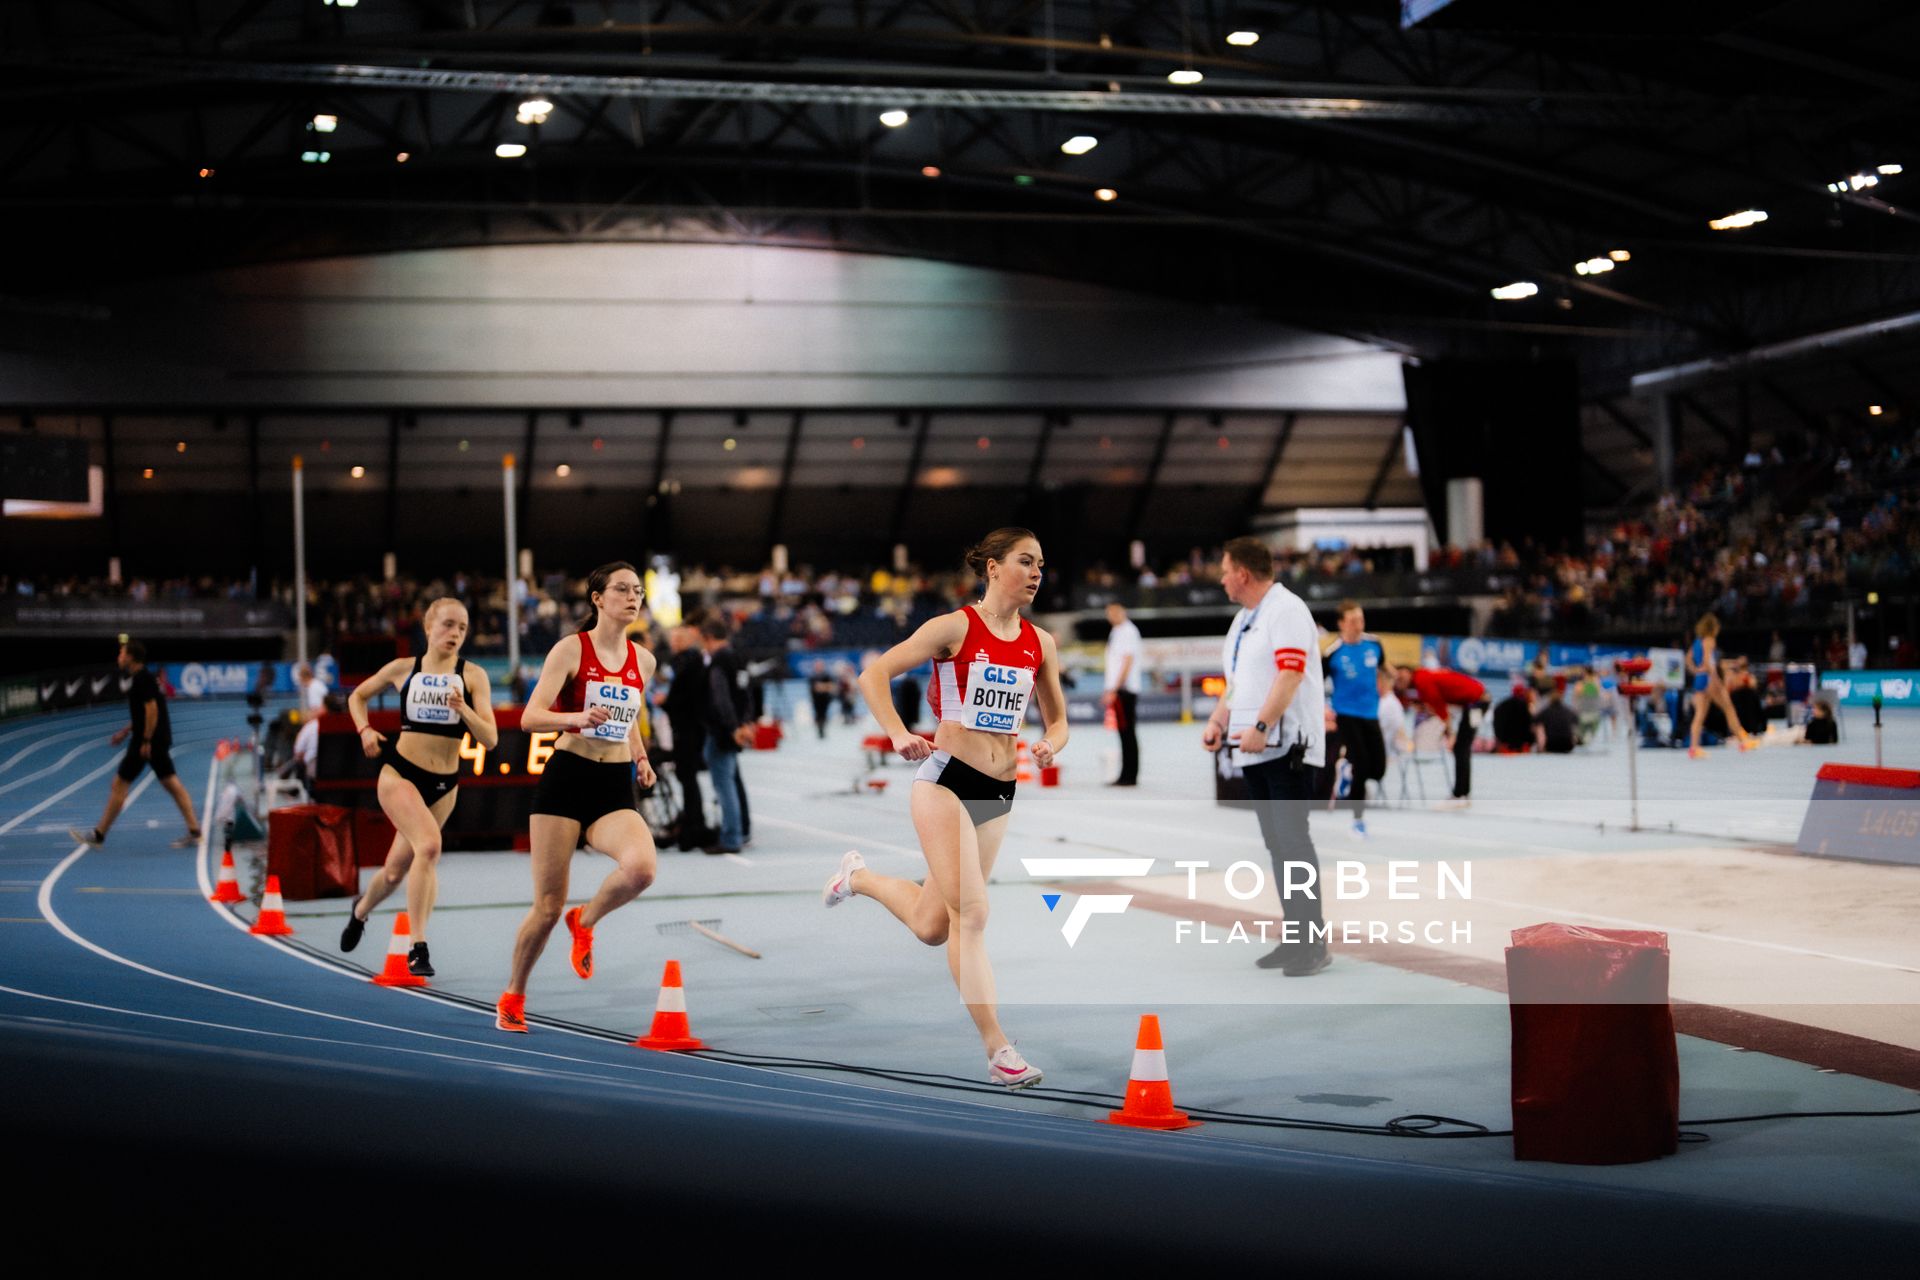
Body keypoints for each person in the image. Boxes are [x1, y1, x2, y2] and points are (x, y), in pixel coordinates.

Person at [823, 527, 1068, 1086]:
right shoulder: (954, 628)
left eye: (1041, 564)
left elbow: (1057, 718)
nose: (1036, 573)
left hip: (999, 791)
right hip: (945, 782)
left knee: (933, 925)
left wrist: (1053, 743)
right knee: (973, 914)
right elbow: (873, 674)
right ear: (992, 567)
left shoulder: (1040, 642)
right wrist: (896, 732)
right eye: (1025, 562)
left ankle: (857, 877)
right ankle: (999, 1050)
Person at [496, 562, 659, 1034]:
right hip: (567, 779)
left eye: (638, 592)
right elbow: (530, 717)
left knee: (642, 869)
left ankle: (584, 921)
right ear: (597, 598)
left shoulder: (643, 660)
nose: (632, 598)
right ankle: (513, 993)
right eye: (622, 590)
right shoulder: (571, 650)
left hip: (613, 784)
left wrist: (641, 755)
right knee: (547, 906)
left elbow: (628, 714)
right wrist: (576, 719)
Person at [338, 599, 497, 977]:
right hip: (400, 774)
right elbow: (356, 696)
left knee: (395, 872)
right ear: (428, 628)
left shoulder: (473, 676)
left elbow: (490, 738)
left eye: (462, 627)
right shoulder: (403, 669)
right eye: (447, 625)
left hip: (444, 784)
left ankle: (360, 912)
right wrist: (364, 730)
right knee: (429, 847)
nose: (454, 634)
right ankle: (417, 946)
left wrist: (465, 710)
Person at [1201, 537, 1329, 976]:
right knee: (1278, 846)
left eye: (1224, 570)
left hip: (1286, 745)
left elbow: (1291, 673)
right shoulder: (1243, 621)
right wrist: (1219, 720)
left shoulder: (1286, 609)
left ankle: (1314, 943)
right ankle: (1296, 938)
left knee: (1294, 843)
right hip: (1253, 748)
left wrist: (1261, 725)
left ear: (1243, 573)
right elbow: (1236, 685)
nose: (1220, 579)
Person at [69, 638, 202, 848]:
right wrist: (126, 731)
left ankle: (99, 834)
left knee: (122, 783)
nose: (118, 657)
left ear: (130, 657)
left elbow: (152, 710)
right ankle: (195, 831)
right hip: (151, 739)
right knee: (170, 784)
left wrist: (146, 740)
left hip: (148, 741)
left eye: (121, 653)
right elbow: (145, 712)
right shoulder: (145, 678)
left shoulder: (142, 679)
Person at [1322, 601, 1387, 836]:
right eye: (1352, 621)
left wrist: (1393, 678)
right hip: (1347, 714)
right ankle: (1358, 821)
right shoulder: (1333, 653)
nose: (1358, 625)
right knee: (1362, 766)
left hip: (1371, 712)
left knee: (1378, 769)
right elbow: (1315, 683)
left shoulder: (1374, 645)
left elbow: (1382, 668)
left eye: (1361, 619)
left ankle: (1347, 767)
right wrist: (1323, 709)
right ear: (1341, 624)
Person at [1395, 664, 1487, 808]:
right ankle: (1462, 792)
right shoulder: (1420, 680)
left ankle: (1460, 794)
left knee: (1461, 748)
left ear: (1409, 672)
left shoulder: (1422, 680)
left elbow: (1440, 708)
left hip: (1476, 702)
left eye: (1402, 676)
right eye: (1398, 679)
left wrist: (1449, 733)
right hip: (1474, 701)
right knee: (1461, 748)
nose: (1400, 679)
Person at [699, 614, 755, 855]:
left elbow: (720, 697)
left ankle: (731, 838)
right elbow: (746, 694)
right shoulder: (738, 658)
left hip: (722, 731)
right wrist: (745, 723)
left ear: (709, 638)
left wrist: (732, 727)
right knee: (732, 782)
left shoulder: (719, 661)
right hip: (736, 727)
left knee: (724, 785)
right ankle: (741, 831)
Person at [660, 618, 714, 851]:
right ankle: (693, 823)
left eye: (678, 639)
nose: (673, 643)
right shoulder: (687, 661)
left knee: (687, 778)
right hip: (688, 727)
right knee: (686, 778)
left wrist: (666, 702)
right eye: (672, 639)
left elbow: (683, 698)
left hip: (688, 729)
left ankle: (694, 826)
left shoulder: (688, 663)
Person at [1687, 613, 1756, 758]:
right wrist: (1716, 680)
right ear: (1713, 627)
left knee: (1699, 715)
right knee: (1729, 708)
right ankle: (1743, 741)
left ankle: (1693, 748)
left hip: (1699, 679)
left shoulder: (1697, 641)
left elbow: (1688, 659)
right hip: (1709, 679)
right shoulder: (1709, 639)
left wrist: (1695, 670)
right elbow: (1708, 661)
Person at [1103, 601, 1143, 786]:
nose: (1111, 616)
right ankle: (1126, 773)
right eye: (1109, 613)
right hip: (1119, 689)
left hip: (1124, 690)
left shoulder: (1128, 631)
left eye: (1114, 612)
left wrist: (1116, 689)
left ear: (1122, 611)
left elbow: (1127, 661)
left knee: (1127, 732)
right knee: (1123, 732)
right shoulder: (1116, 632)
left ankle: (1129, 775)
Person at [1492, 683, 1536, 752]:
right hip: (1521, 745)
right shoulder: (1525, 706)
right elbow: (1529, 725)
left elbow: (1497, 724)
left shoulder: (1502, 705)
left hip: (1505, 743)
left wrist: (1500, 738)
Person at [1534, 687, 1579, 754]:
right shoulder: (1568, 711)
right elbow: (1577, 722)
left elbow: (1534, 722)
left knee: (1539, 726)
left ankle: (1540, 747)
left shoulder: (1545, 711)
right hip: (1567, 745)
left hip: (1551, 745)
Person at [808, 659, 837, 739]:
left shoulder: (827, 675)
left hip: (825, 699)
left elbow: (831, 686)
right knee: (818, 715)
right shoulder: (812, 676)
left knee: (824, 715)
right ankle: (819, 730)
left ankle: (823, 729)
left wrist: (821, 686)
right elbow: (815, 688)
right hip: (816, 700)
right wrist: (824, 686)